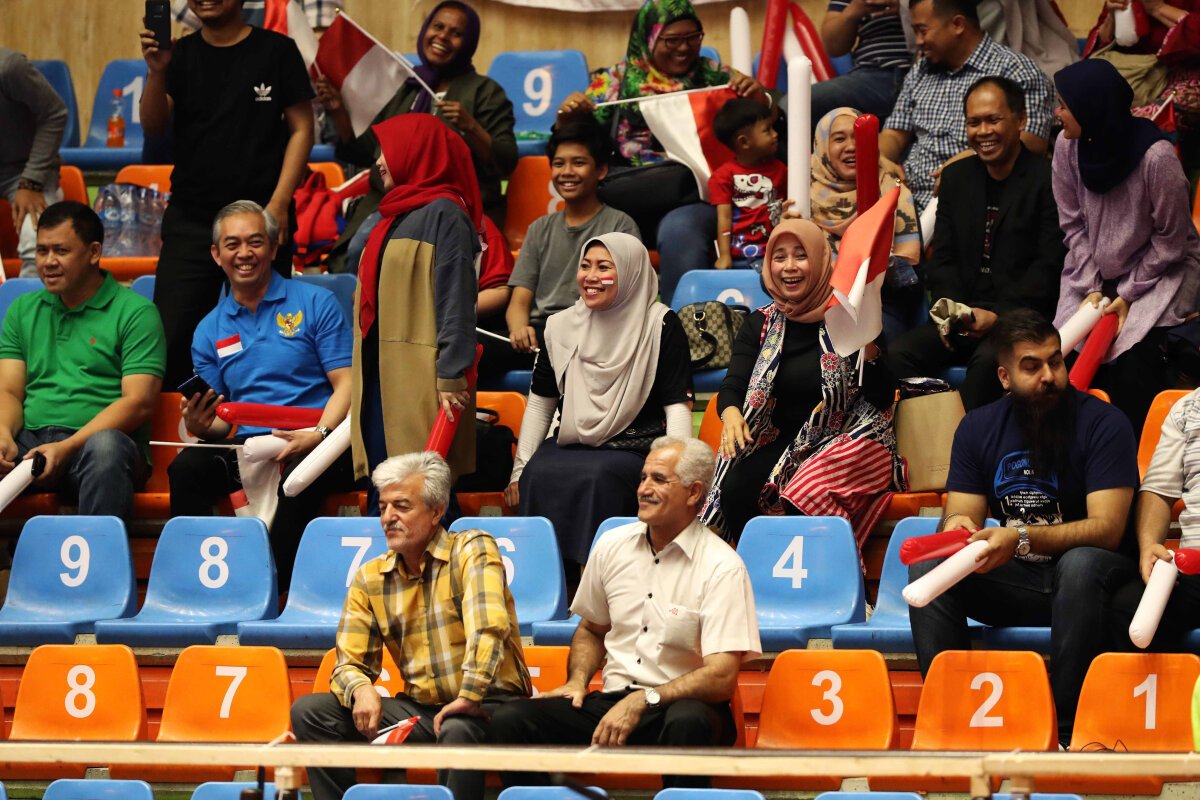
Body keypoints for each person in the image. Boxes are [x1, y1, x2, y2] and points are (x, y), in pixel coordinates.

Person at [908, 309, 1139, 745]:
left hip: (1101, 584)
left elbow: (1108, 529)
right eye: (1032, 366)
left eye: (1056, 361)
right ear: (1004, 377)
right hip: (1024, 582)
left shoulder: (1105, 424)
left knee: (1081, 563)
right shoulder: (977, 428)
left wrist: (1020, 538)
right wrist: (960, 530)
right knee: (930, 570)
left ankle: (1068, 735)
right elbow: (960, 514)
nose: (1049, 376)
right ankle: (950, 727)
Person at [489, 437, 760, 789]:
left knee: (688, 722)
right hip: (613, 701)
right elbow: (591, 629)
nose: (643, 489)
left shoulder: (723, 566)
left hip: (680, 706)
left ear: (694, 493)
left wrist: (645, 700)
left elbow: (721, 677)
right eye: (643, 478)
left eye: (659, 479)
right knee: (511, 719)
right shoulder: (611, 545)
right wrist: (577, 681)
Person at [291, 451, 531, 800]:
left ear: (436, 511)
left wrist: (468, 696)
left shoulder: (472, 549)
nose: (388, 517)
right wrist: (361, 689)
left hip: (489, 704)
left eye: (401, 506)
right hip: (421, 712)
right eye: (383, 507)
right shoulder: (371, 577)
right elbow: (348, 664)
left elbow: (488, 627)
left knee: (457, 726)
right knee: (311, 712)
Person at [167, 200, 355, 589]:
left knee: (300, 476)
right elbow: (222, 424)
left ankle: (268, 587)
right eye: (232, 244)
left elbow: (348, 384)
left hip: (319, 437)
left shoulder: (316, 303)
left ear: (272, 247)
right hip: (250, 444)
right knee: (185, 470)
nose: (244, 253)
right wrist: (200, 425)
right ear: (216, 254)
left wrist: (318, 435)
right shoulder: (208, 329)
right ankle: (195, 586)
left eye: (255, 242)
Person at [140, 0, 315, 388]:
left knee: (269, 339)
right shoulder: (178, 54)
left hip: (262, 220)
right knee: (171, 339)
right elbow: (153, 126)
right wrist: (156, 71)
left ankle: (262, 418)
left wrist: (279, 204)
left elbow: (302, 128)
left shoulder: (277, 50)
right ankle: (188, 423)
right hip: (192, 220)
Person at [701, 219, 905, 547]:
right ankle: (755, 571)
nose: (789, 266)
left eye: (801, 255)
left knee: (802, 491)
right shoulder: (760, 323)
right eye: (779, 257)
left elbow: (882, 397)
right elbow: (733, 385)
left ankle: (823, 574)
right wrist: (731, 414)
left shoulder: (851, 313)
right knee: (737, 487)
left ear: (821, 260)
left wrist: (866, 344)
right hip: (786, 441)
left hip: (848, 439)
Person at [555, 0, 769, 304]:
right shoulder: (616, 82)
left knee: (680, 230)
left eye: (693, 37)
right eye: (671, 40)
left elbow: (765, 129)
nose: (684, 47)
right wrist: (568, 118)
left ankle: (681, 326)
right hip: (629, 195)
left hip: (693, 196)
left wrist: (758, 97)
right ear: (648, 38)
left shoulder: (716, 78)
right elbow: (573, 140)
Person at [504, 233, 693, 567]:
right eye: (585, 266)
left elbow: (677, 406)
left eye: (604, 267)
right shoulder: (559, 326)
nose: (590, 277)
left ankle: (598, 577)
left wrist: (673, 476)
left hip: (634, 446)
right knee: (537, 473)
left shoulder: (660, 324)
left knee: (600, 477)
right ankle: (550, 579)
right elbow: (540, 403)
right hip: (572, 441)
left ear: (631, 272)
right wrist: (518, 472)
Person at [887, 76, 1066, 409]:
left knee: (988, 366)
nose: (983, 131)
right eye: (974, 122)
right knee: (898, 355)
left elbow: (1048, 266)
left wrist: (998, 317)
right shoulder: (956, 178)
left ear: (1021, 120)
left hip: (1019, 319)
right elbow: (942, 259)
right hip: (960, 317)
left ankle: (961, 439)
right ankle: (922, 437)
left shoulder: (1047, 180)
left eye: (993, 120)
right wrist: (952, 313)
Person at [1051, 58, 1200, 429]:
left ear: (1091, 109)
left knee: (1131, 367)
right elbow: (1073, 224)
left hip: (1161, 271)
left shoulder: (1157, 158)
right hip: (1092, 269)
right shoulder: (1067, 147)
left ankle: (1124, 451)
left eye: (1064, 106)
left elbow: (1171, 241)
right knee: (1063, 358)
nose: (1057, 113)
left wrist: (1126, 294)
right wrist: (1091, 286)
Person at [0, 201, 165, 521]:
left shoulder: (136, 312)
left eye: (61, 251)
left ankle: (98, 554)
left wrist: (68, 447)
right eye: (42, 250)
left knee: (106, 449)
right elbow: (8, 391)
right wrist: (4, 434)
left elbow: (139, 403)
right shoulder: (22, 310)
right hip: (29, 444)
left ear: (93, 252)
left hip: (96, 447)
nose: (48, 261)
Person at [318, 0, 516, 266]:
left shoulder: (485, 92)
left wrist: (471, 127)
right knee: (357, 253)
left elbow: (505, 161)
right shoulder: (406, 86)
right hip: (387, 204)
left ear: (469, 43)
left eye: (456, 33)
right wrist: (339, 112)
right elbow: (367, 152)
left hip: (450, 208)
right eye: (438, 26)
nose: (443, 36)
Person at [351, 114, 480, 503]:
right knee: (387, 494)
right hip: (377, 374)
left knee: (422, 496)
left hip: (421, 379)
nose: (378, 161)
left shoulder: (446, 214)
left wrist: (451, 375)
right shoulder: (392, 215)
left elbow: (456, 300)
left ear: (416, 151)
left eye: (387, 151)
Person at [881, 0, 1054, 212]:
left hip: (976, 202)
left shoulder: (1016, 70)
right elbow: (894, 133)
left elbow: (1033, 141)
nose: (918, 41)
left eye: (922, 31)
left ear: (958, 25)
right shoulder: (922, 70)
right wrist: (881, 158)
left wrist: (965, 163)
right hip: (908, 200)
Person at [505, 120, 640, 363]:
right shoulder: (539, 229)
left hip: (595, 330)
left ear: (601, 170)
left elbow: (627, 299)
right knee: (474, 349)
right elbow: (519, 301)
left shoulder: (621, 226)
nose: (566, 172)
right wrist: (519, 330)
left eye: (578, 163)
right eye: (559, 164)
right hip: (543, 333)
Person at [809, 106, 921, 343]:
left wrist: (882, 261)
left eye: (857, 137)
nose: (851, 146)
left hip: (881, 306)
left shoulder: (893, 193)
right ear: (822, 146)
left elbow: (908, 283)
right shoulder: (802, 197)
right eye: (839, 139)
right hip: (816, 305)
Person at [1110, 387, 1200, 648]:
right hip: (1195, 568)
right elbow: (1158, 490)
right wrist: (1150, 544)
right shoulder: (1188, 409)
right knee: (1127, 609)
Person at [0, 48, 67, 278]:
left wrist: (31, 181)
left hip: (25, 171)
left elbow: (54, 114)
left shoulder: (9, 67)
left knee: (38, 242)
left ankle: (29, 303)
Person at [1083, 0, 1200, 128]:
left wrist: (1158, 8)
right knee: (1083, 101)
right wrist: (1111, 16)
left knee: (1162, 114)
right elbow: (1100, 45)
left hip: (1179, 73)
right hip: (1132, 72)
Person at [709, 98, 786, 273]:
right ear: (744, 142)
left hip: (776, 254)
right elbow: (724, 217)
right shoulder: (723, 176)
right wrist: (724, 255)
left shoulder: (781, 170)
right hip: (740, 258)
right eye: (767, 130)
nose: (775, 134)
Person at [813, 0, 913, 124]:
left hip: (925, 67)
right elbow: (833, 48)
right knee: (800, 102)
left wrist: (906, 7)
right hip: (870, 75)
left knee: (804, 101)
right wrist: (854, 10)